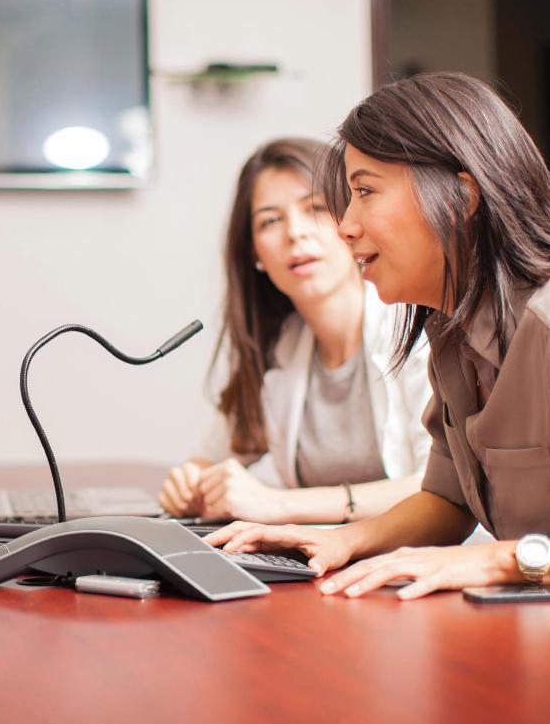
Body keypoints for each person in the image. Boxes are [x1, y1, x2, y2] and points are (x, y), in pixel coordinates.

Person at [211, 72, 550, 598]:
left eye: (365, 192)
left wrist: (501, 561)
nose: (345, 225)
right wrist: (340, 540)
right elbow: (449, 503)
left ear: (462, 195)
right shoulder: (451, 331)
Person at [159, 138, 431, 525]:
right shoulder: (279, 344)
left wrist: (278, 504)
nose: (295, 233)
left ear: (351, 221)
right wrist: (191, 481)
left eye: (315, 208)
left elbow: (436, 488)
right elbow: (213, 456)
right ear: (254, 252)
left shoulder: (414, 325)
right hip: (325, 570)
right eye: (271, 221)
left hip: (421, 568)